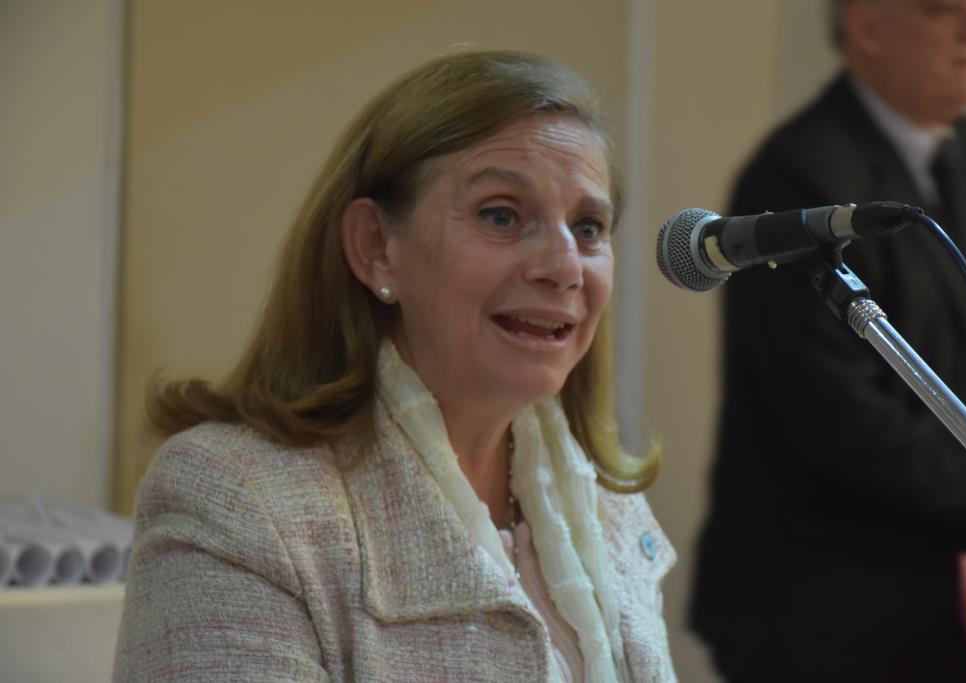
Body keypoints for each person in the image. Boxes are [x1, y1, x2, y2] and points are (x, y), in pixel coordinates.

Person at [112, 51, 677, 682]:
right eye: (501, 215)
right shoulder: (242, 502)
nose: (565, 266)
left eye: (589, 227)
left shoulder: (611, 516)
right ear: (376, 248)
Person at [690, 2, 966, 682]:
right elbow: (841, 419)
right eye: (943, 10)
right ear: (868, 27)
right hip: (823, 597)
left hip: (951, 581)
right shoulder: (797, 172)